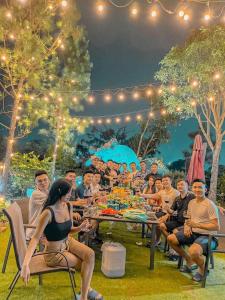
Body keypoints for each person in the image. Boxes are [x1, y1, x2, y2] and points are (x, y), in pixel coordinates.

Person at [21, 179, 103, 300]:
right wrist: (25, 264)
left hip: (68, 241)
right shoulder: (48, 213)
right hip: (54, 253)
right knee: (84, 264)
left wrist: (79, 228)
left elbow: (69, 229)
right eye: (68, 193)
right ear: (60, 192)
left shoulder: (68, 206)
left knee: (90, 255)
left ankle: (84, 295)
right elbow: (35, 238)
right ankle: (85, 293)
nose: (70, 195)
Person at [167, 179, 220, 282]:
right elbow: (188, 219)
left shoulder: (210, 204)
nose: (197, 189)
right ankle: (189, 260)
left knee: (194, 251)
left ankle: (203, 269)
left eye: (200, 187)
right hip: (194, 232)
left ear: (205, 189)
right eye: (195, 187)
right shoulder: (191, 202)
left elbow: (216, 226)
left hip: (209, 236)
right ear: (192, 189)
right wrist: (187, 227)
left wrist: (197, 225)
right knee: (171, 238)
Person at [159, 179, 195, 260]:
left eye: (182, 184)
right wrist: (168, 209)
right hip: (178, 221)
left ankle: (176, 251)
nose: (180, 186)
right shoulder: (177, 198)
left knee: (175, 231)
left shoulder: (192, 196)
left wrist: (218, 207)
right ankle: (172, 246)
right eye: (178, 185)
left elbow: (203, 201)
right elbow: (171, 211)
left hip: (187, 223)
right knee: (161, 225)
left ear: (187, 186)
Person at [26, 170, 50, 241]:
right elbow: (57, 203)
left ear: (49, 180)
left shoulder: (46, 192)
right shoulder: (36, 194)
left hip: (44, 226)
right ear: (35, 183)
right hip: (36, 229)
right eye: (39, 181)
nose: (43, 183)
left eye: (45, 180)